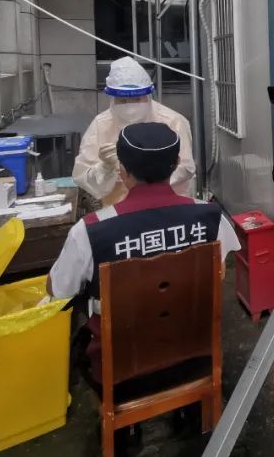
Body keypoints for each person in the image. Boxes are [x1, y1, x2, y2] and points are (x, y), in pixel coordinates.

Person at [48, 122, 241, 388]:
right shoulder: (209, 216)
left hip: (120, 372)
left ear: (122, 171)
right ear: (176, 164)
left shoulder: (91, 231)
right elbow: (218, 275)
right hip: (195, 357)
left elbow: (59, 290)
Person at [73, 57, 195, 205]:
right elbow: (83, 177)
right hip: (120, 210)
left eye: (136, 99)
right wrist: (105, 168)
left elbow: (186, 168)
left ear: (148, 95)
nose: (130, 107)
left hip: (168, 207)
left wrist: (143, 180)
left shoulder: (173, 121)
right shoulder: (101, 125)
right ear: (112, 99)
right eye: (123, 101)